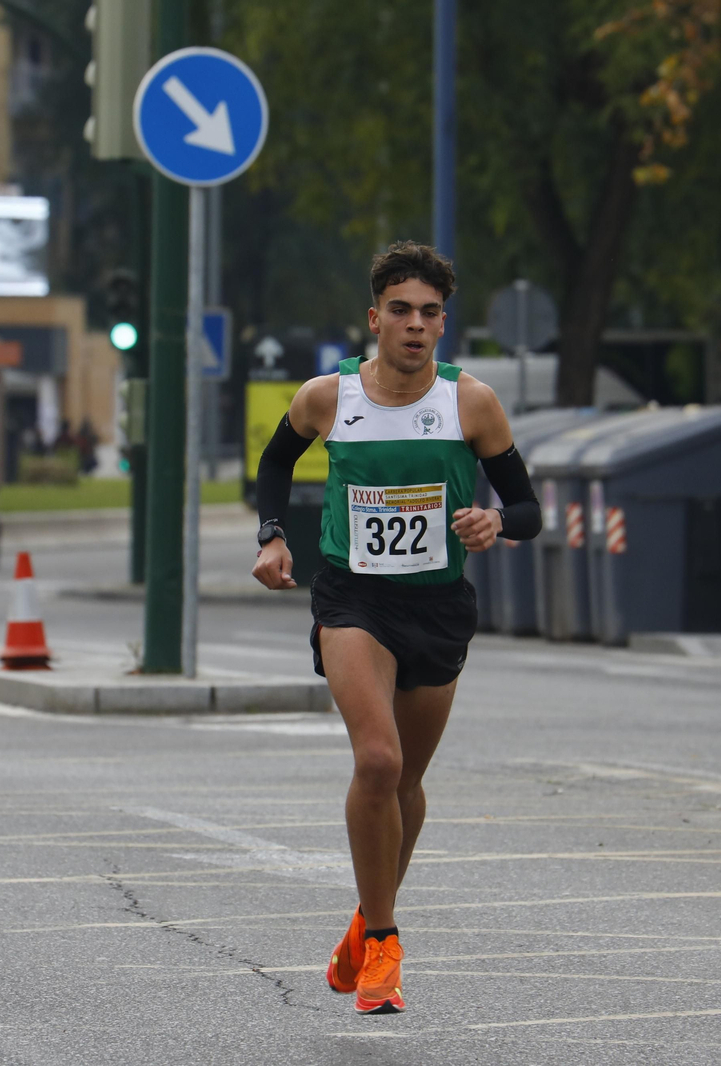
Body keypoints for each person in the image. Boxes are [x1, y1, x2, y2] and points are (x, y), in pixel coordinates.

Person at [251, 241, 542, 1014]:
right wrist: (273, 535)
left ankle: (361, 925)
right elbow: (274, 463)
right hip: (353, 599)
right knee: (377, 761)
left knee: (407, 781)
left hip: (437, 605)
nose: (417, 326)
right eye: (402, 311)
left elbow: (530, 509)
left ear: (444, 323)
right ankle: (384, 944)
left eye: (432, 313)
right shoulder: (328, 396)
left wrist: (494, 520)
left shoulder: (470, 402)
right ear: (374, 317)